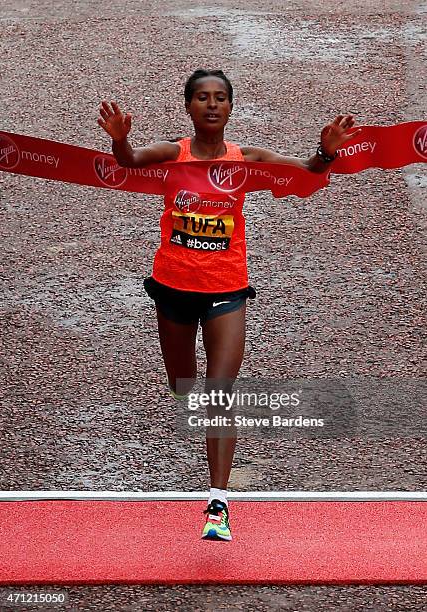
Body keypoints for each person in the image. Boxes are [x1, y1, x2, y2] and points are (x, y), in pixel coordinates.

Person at [97, 68, 361, 541]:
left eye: (220, 98)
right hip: (174, 287)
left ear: (230, 108)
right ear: (189, 107)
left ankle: (218, 505)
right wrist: (120, 141)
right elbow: (132, 160)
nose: (212, 105)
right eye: (202, 97)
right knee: (184, 386)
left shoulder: (247, 159)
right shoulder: (172, 154)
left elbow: (307, 171)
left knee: (219, 393)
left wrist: (326, 149)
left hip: (226, 289)